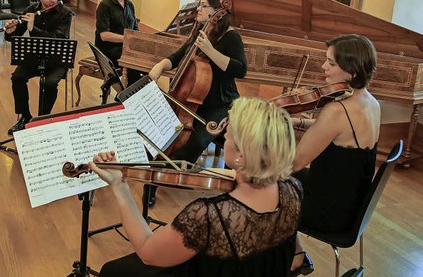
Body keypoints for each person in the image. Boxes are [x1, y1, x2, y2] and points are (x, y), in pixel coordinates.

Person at [90, 97, 302, 277]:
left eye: (229, 133)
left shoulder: (208, 216)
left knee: (113, 270)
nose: (224, 135)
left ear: (241, 156)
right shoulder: (293, 189)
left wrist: (120, 186)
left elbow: (147, 252)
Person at [289, 34, 379, 276]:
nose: (323, 66)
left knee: (263, 183)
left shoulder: (337, 111)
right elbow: (335, 134)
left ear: (351, 71)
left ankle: (290, 255)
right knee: (283, 182)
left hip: (328, 214)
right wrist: (297, 120)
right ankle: (295, 251)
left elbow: (295, 161)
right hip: (352, 204)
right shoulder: (371, 104)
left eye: (331, 63)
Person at [149, 0, 247, 164]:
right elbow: (178, 55)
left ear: (216, 11)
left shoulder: (231, 37)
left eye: (203, 5)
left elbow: (240, 70)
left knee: (193, 144)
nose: (198, 9)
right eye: (199, 5)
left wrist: (210, 51)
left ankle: (170, 174)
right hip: (193, 104)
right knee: (160, 131)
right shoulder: (201, 31)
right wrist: (159, 66)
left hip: (220, 105)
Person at [4, 0, 73, 134]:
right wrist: (10, 31)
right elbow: (17, 35)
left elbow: (59, 39)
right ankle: (25, 118)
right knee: (17, 77)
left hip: (58, 59)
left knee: (49, 83)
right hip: (35, 57)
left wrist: (33, 28)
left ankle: (43, 120)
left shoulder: (65, 13)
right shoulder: (31, 10)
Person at [94, 0, 141, 85]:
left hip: (124, 47)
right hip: (108, 50)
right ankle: (125, 97)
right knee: (136, 64)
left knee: (144, 62)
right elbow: (104, 35)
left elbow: (135, 30)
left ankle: (129, 95)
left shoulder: (129, 5)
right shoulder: (105, 6)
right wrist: (126, 39)